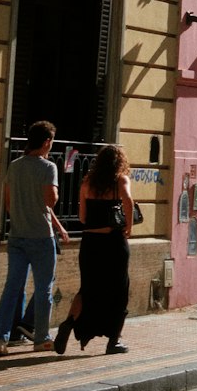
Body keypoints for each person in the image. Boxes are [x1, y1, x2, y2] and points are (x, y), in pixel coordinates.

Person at [0, 119, 69, 356]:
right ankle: (42, 338)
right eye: (52, 141)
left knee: (11, 288)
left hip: (17, 236)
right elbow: (50, 201)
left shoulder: (14, 166)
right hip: (41, 238)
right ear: (47, 142)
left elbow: (7, 201)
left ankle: (0, 340)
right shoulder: (48, 168)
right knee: (44, 288)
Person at [54, 143, 134, 356]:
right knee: (119, 290)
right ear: (119, 162)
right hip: (113, 242)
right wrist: (129, 226)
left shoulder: (87, 182)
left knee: (87, 288)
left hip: (90, 242)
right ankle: (113, 342)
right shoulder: (120, 181)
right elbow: (128, 201)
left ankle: (68, 323)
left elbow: (82, 217)